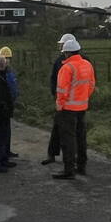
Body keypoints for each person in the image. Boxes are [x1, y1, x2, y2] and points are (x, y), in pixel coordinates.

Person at [52, 38, 95, 180]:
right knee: (81, 137)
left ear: (67, 53)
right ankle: (81, 166)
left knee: (68, 140)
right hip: (82, 107)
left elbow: (61, 90)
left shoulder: (67, 68)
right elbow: (91, 85)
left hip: (67, 109)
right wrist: (84, 98)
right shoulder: (87, 65)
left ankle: (68, 170)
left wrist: (60, 104)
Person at [42, 33, 75, 166]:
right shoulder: (84, 60)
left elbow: (55, 82)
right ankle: (56, 154)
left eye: (62, 44)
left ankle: (64, 158)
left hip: (66, 103)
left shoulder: (62, 62)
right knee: (69, 131)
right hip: (75, 104)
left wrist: (57, 98)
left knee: (64, 131)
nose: (60, 47)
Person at [0, 46, 19, 160]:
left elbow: (13, 88)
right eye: (4, 58)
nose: (6, 60)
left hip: (10, 104)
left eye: (8, 58)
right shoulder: (0, 74)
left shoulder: (10, 71)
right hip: (4, 106)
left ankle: (6, 151)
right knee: (2, 131)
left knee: (7, 130)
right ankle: (2, 153)